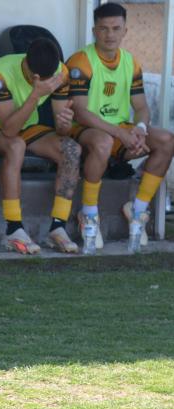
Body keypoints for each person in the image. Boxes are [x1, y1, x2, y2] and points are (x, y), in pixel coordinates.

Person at [67, 2, 174, 251]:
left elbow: (142, 107)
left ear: (125, 30)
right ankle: (89, 213)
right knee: (103, 142)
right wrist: (121, 134)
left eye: (116, 28)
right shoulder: (81, 61)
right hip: (85, 129)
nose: (110, 35)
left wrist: (139, 129)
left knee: (167, 140)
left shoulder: (131, 62)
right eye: (104, 29)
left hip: (119, 129)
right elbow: (80, 112)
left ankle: (137, 210)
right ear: (94, 31)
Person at [0, 38, 81, 255]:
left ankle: (58, 227)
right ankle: (13, 229)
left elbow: (61, 129)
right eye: (35, 78)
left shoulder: (60, 73)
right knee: (16, 145)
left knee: (72, 149)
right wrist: (35, 95)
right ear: (27, 66)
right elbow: (9, 130)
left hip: (27, 126)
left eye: (46, 80)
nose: (41, 82)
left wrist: (65, 123)